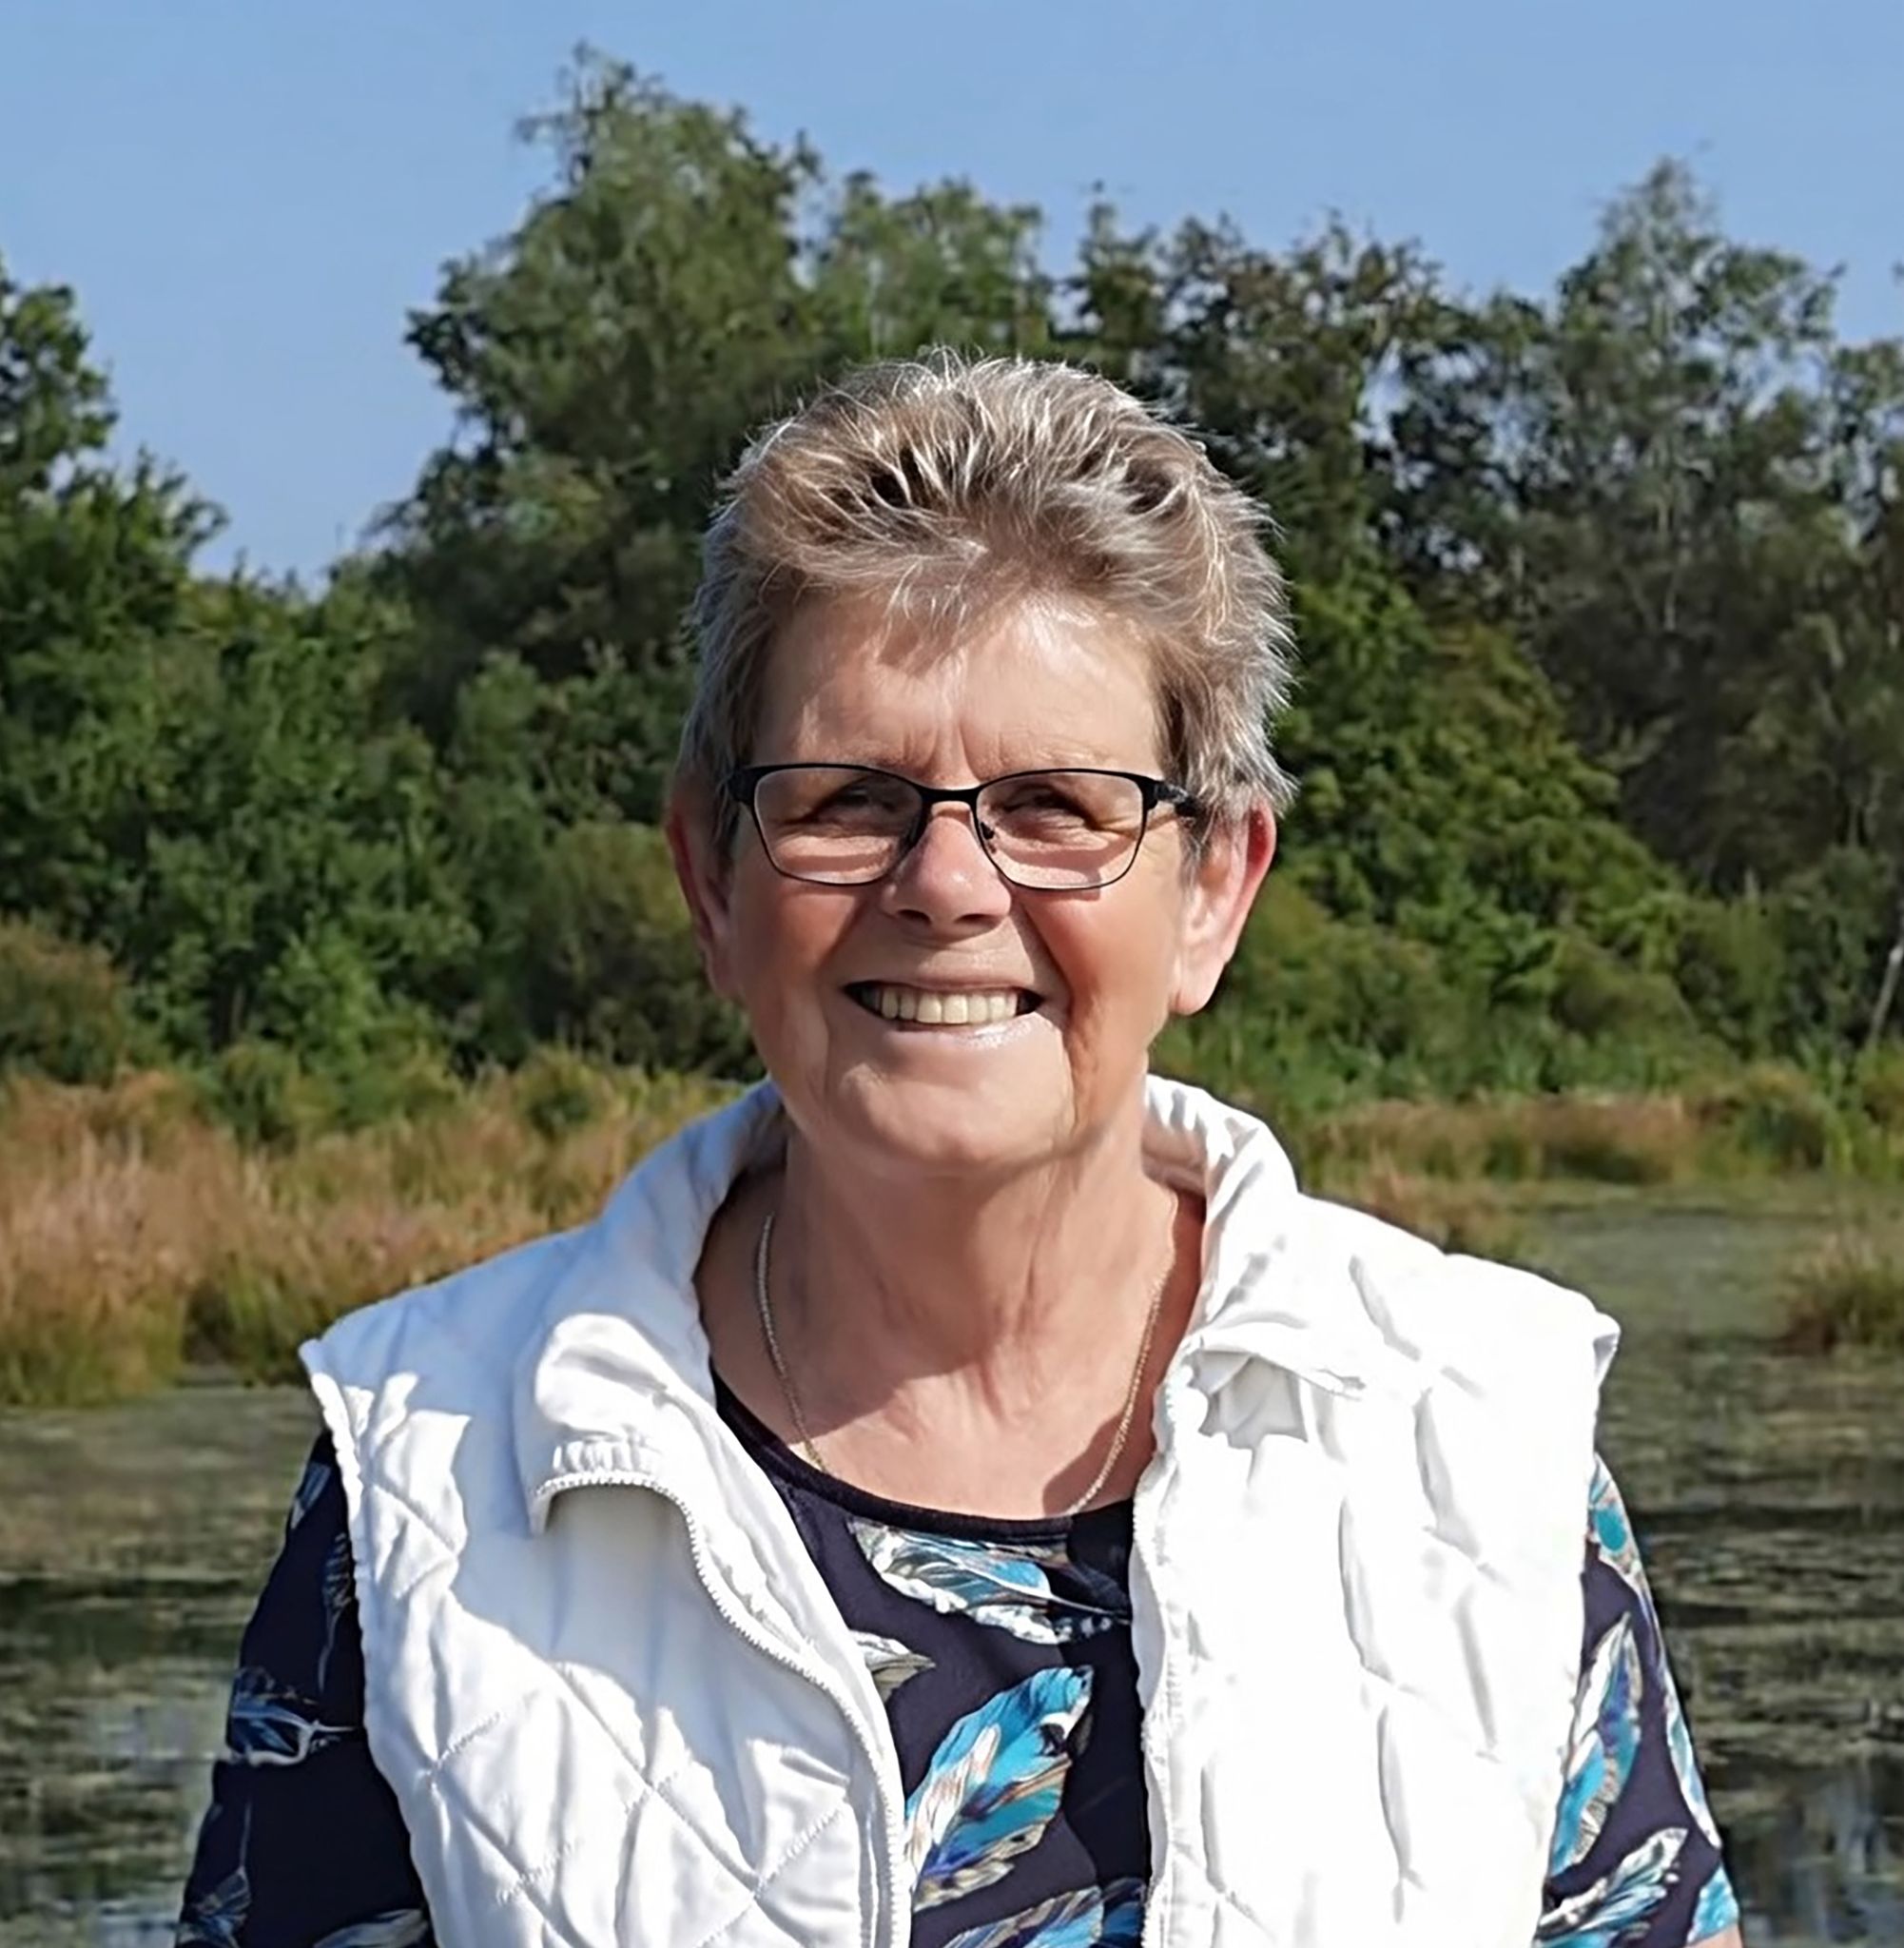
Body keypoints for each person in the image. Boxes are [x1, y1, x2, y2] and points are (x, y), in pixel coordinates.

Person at [178, 355, 1743, 1948]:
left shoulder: (1477, 1437)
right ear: (711, 877)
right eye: (849, 799)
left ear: (1212, 890)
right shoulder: (423, 1466)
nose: (944, 884)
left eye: (1057, 804)